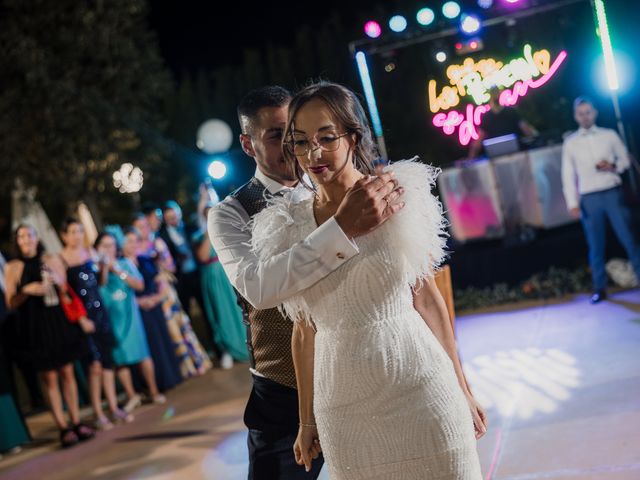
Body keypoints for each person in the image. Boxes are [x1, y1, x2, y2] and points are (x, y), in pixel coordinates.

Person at [251, 82, 486, 479]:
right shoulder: (286, 227)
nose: (314, 153)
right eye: (301, 141)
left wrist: (462, 386)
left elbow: (427, 298)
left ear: (352, 136)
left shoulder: (395, 196)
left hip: (421, 385)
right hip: (343, 404)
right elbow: (304, 330)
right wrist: (306, 421)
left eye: (326, 138)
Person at [207, 86, 404, 480]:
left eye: (294, 132)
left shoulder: (346, 184)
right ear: (247, 144)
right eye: (275, 135)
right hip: (282, 389)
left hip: (359, 372)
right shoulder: (230, 214)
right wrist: (342, 227)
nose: (291, 145)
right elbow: (259, 288)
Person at [4, 224, 95, 447]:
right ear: (17, 241)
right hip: (34, 325)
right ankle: (62, 426)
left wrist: (54, 278)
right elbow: (10, 302)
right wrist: (27, 291)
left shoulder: (51, 259)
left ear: (37, 238)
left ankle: (76, 421)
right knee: (50, 377)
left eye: (30, 235)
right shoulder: (13, 268)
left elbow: (65, 291)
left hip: (57, 320)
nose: (27, 240)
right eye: (22, 236)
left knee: (67, 371)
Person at [561, 96, 640, 304]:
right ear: (575, 116)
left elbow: (625, 159)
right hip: (589, 197)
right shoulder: (571, 143)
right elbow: (567, 175)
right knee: (595, 244)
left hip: (612, 192)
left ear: (594, 113)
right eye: (581, 113)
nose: (585, 116)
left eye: (588, 112)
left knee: (628, 238)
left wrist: (613, 165)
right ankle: (600, 287)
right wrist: (572, 203)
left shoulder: (609, 135)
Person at [60, 218, 132, 429]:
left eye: (80, 231)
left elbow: (99, 283)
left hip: (101, 313)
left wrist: (102, 267)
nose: (77, 236)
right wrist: (81, 319)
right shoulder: (62, 260)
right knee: (95, 366)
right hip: (84, 318)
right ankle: (98, 412)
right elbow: (66, 295)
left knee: (108, 362)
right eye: (73, 232)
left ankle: (113, 406)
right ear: (64, 235)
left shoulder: (89, 253)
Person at [94, 232, 165, 411]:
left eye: (111, 245)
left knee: (142, 352)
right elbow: (100, 286)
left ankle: (154, 391)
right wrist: (104, 268)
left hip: (131, 316)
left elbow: (139, 285)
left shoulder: (125, 264)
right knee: (121, 358)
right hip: (112, 318)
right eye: (104, 245)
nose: (108, 249)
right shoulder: (95, 270)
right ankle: (132, 395)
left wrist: (118, 271)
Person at [134, 214, 212, 376]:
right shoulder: (134, 249)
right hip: (150, 293)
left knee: (180, 325)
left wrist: (159, 265)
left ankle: (195, 362)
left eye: (145, 226)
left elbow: (171, 267)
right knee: (166, 331)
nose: (144, 230)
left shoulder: (157, 243)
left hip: (165, 291)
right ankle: (179, 368)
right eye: (140, 227)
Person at [122, 228, 183, 392]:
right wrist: (139, 301)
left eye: (135, 241)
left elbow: (160, 280)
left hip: (155, 304)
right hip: (137, 310)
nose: (133, 245)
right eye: (129, 241)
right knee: (150, 344)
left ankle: (171, 377)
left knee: (162, 339)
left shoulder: (145, 260)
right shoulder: (122, 265)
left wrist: (156, 298)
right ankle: (156, 383)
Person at [195, 189, 249, 369]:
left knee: (237, 309)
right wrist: (209, 231)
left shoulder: (227, 226)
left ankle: (245, 345)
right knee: (220, 312)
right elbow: (202, 256)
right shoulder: (200, 235)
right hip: (213, 276)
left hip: (227, 272)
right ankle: (227, 349)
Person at [468, 86, 537, 159]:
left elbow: (527, 130)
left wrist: (538, 140)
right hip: (498, 159)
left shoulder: (511, 111)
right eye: (493, 93)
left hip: (516, 156)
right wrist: (470, 159)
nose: (495, 95)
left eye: (496, 92)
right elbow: (478, 142)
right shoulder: (486, 117)